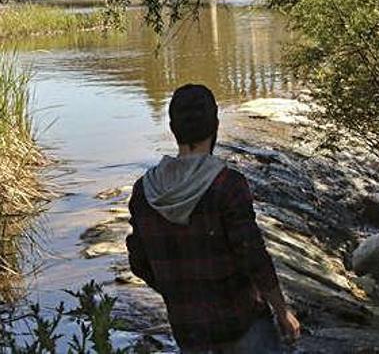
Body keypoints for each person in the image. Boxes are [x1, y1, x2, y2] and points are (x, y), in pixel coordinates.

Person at [126, 84, 301, 353]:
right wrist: (282, 311)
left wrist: (177, 290)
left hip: (189, 330)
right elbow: (253, 256)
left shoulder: (144, 191)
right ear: (215, 125)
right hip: (242, 324)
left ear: (173, 129)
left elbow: (138, 262)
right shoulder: (227, 185)